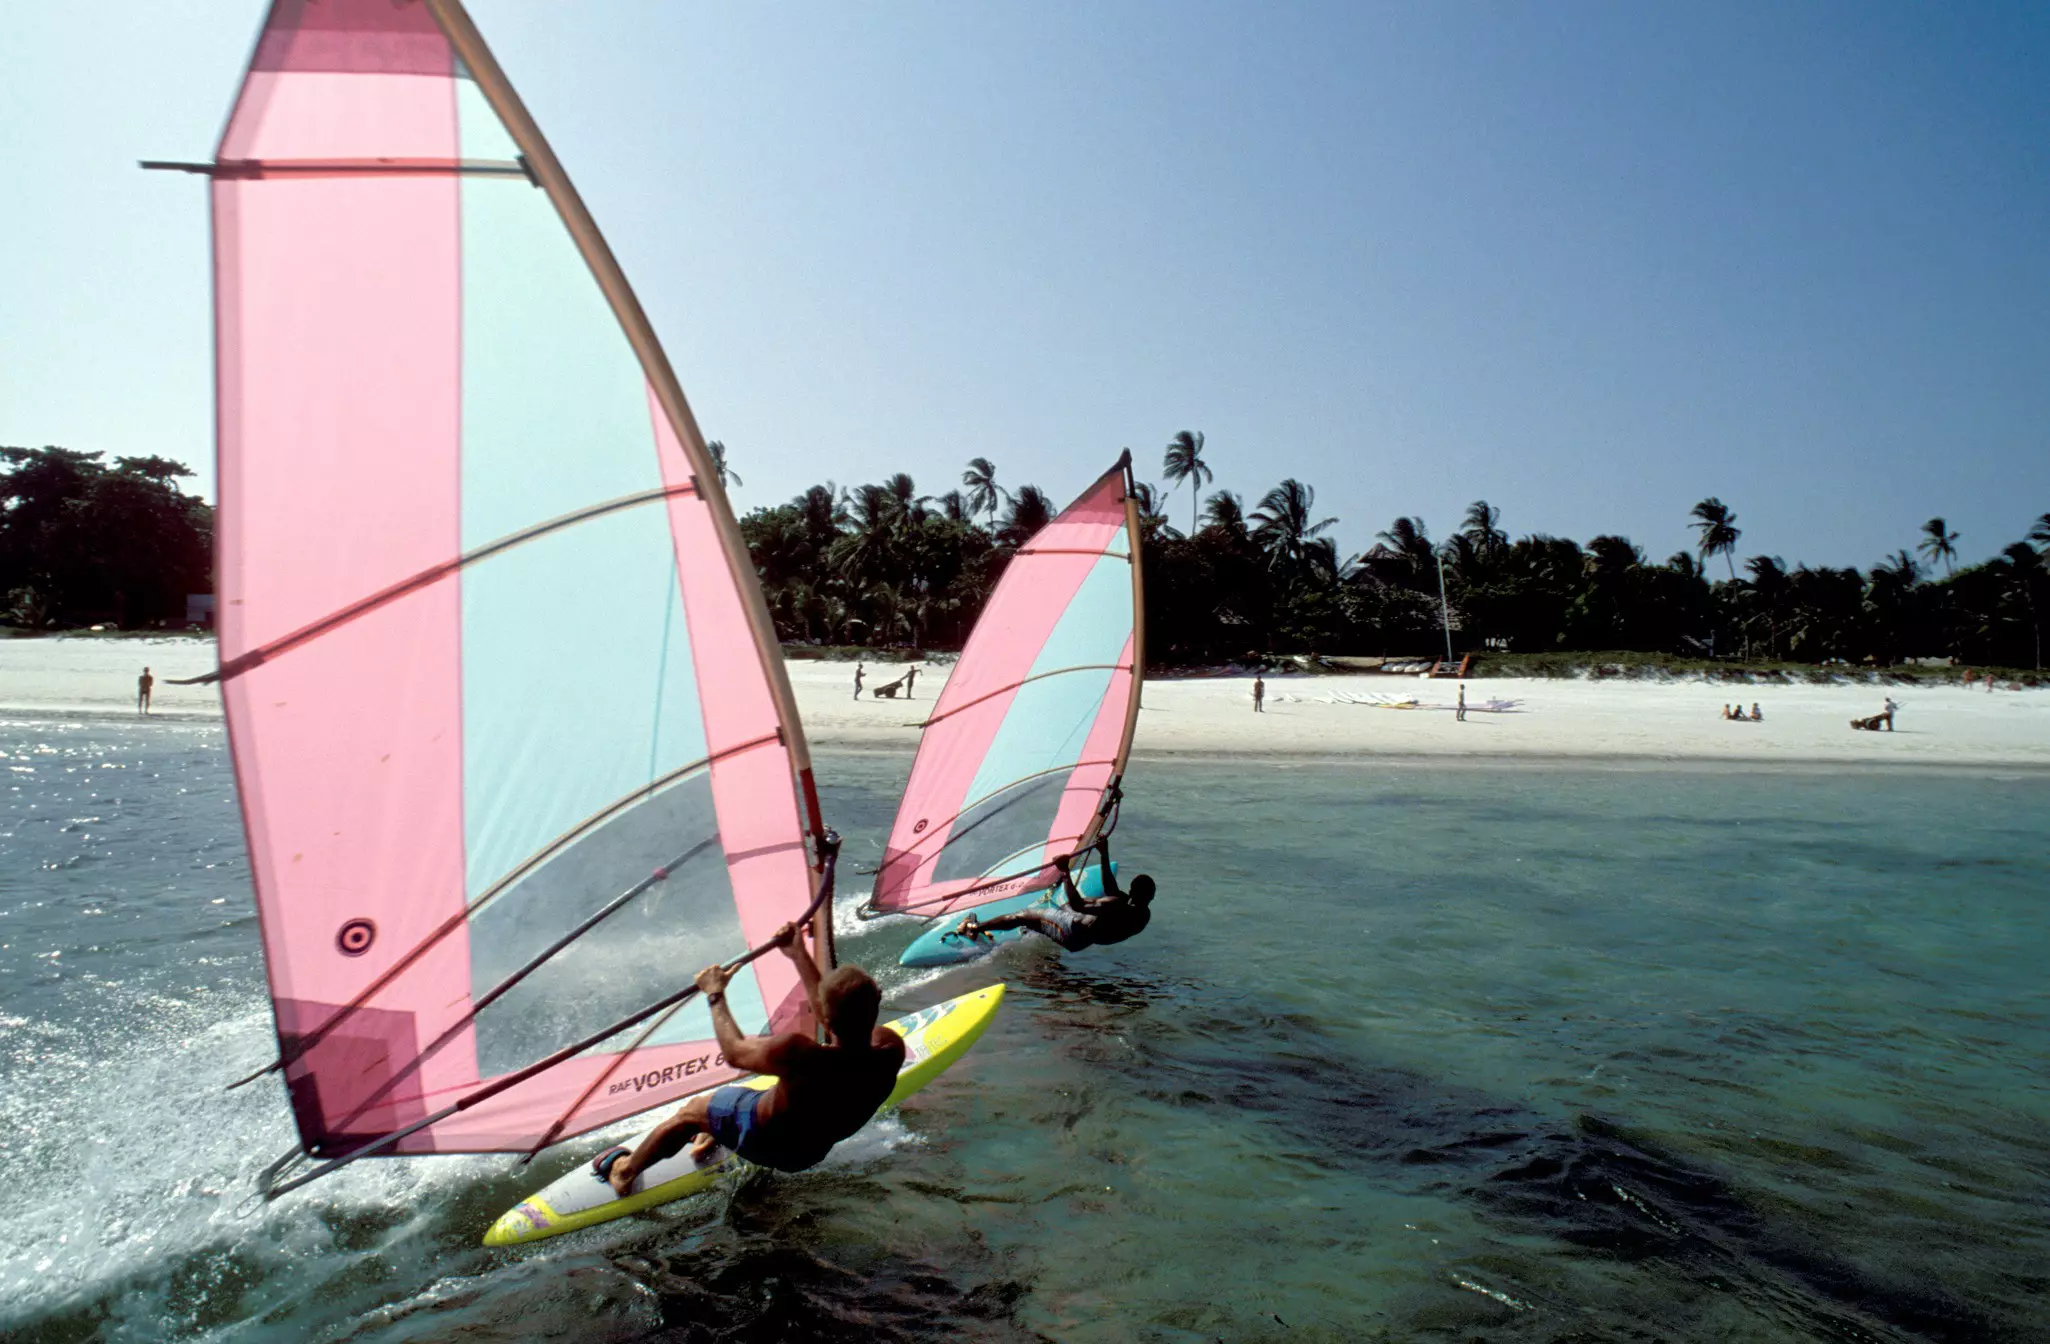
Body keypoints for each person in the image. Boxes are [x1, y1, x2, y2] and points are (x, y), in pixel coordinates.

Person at [600, 923, 904, 1193]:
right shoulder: (888, 1051)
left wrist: (715, 994)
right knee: (772, 1097)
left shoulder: (798, 1055)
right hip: (808, 1153)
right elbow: (835, 1020)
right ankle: (714, 1131)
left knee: (691, 1111)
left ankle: (625, 1171)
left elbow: (734, 1053)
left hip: (761, 1139)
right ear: (877, 996)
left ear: (826, 1016)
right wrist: (798, 954)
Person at [955, 840, 1154, 953]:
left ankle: (975, 928)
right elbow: (1111, 889)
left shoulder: (1117, 905)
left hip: (1071, 931)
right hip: (1084, 940)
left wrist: (1065, 872)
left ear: (1133, 892)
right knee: (1062, 907)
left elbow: (1078, 905)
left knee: (1020, 916)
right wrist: (1103, 853)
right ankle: (1036, 926)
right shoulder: (1143, 915)